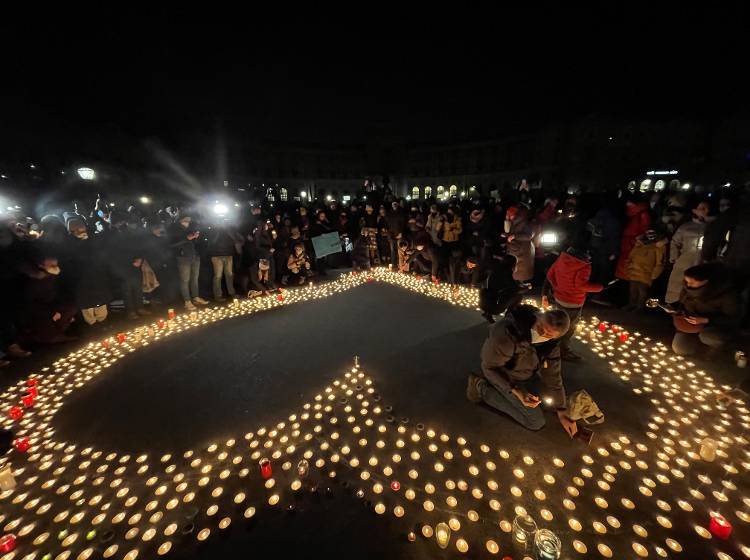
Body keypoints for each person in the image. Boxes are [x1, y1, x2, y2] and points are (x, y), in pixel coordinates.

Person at [466, 305, 577, 436]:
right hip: (503, 375)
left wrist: (562, 410)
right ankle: (480, 388)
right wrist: (517, 391)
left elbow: (553, 374)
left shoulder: (551, 345)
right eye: (541, 328)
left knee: (552, 402)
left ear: (555, 337)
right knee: (535, 422)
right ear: (538, 317)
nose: (541, 334)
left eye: (548, 335)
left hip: (527, 373)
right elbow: (489, 367)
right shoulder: (506, 334)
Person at [542, 247, 603, 361]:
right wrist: (599, 288)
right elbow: (581, 285)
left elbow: (550, 275)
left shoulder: (561, 259)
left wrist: (558, 287)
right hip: (573, 302)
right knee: (568, 328)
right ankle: (563, 351)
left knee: (557, 322)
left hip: (559, 298)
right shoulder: (583, 266)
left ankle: (550, 346)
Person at [671, 263, 740, 356]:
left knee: (708, 337)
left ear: (706, 281)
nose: (688, 284)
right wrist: (672, 308)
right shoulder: (688, 288)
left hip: (713, 327)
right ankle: (694, 342)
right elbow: (682, 303)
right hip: (690, 325)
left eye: (692, 282)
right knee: (680, 349)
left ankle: (717, 348)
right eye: (686, 281)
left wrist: (706, 320)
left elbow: (733, 318)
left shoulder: (726, 295)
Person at [17, 256, 77, 344]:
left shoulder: (52, 276)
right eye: (52, 265)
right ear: (42, 266)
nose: (55, 267)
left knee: (71, 307)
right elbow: (30, 305)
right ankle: (50, 337)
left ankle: (57, 332)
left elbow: (57, 293)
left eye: (56, 265)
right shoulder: (34, 281)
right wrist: (52, 312)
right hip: (37, 309)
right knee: (44, 318)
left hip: (51, 304)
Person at [665, 201, 709, 304]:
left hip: (702, 262)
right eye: (701, 208)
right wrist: (674, 257)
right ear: (695, 210)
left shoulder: (712, 227)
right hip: (685, 260)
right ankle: (674, 306)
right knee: (678, 285)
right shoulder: (686, 226)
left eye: (706, 208)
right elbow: (675, 242)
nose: (704, 211)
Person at [169, 214, 208, 311]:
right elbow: (171, 244)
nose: (188, 221)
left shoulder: (190, 228)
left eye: (189, 219)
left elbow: (195, 243)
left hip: (194, 257)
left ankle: (195, 297)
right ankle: (187, 301)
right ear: (181, 219)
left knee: (194, 279)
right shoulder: (174, 229)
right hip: (183, 258)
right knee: (185, 280)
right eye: (186, 219)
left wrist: (196, 237)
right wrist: (187, 238)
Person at [623, 229, 667, 311]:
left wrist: (654, 274)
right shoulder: (640, 244)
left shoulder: (658, 247)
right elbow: (631, 255)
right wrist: (628, 265)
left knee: (642, 291)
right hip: (634, 271)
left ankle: (640, 307)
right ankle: (631, 304)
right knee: (633, 289)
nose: (650, 236)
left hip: (646, 273)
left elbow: (659, 263)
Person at [479, 254, 523, 323]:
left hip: (483, 303)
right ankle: (508, 317)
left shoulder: (496, 268)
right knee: (518, 296)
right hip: (495, 307)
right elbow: (516, 289)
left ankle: (487, 314)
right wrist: (527, 287)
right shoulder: (507, 273)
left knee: (497, 293)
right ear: (512, 265)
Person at [615, 199, 651, 281]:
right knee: (624, 262)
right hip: (628, 241)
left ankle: (624, 280)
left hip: (632, 243)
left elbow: (645, 230)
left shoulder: (642, 214)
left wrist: (636, 240)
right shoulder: (632, 213)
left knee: (628, 263)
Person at [207, 222, 240, 302]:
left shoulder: (229, 228)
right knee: (218, 276)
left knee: (229, 275)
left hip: (228, 254)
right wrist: (218, 229)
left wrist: (227, 230)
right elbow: (211, 241)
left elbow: (235, 240)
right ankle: (218, 295)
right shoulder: (213, 228)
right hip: (217, 255)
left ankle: (231, 292)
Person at [504, 206, 535, 283]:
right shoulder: (513, 222)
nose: (508, 216)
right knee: (515, 270)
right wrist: (507, 221)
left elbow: (529, 236)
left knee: (521, 270)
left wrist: (515, 236)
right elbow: (508, 231)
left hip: (522, 250)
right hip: (514, 249)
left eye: (510, 215)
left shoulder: (524, 223)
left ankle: (522, 284)